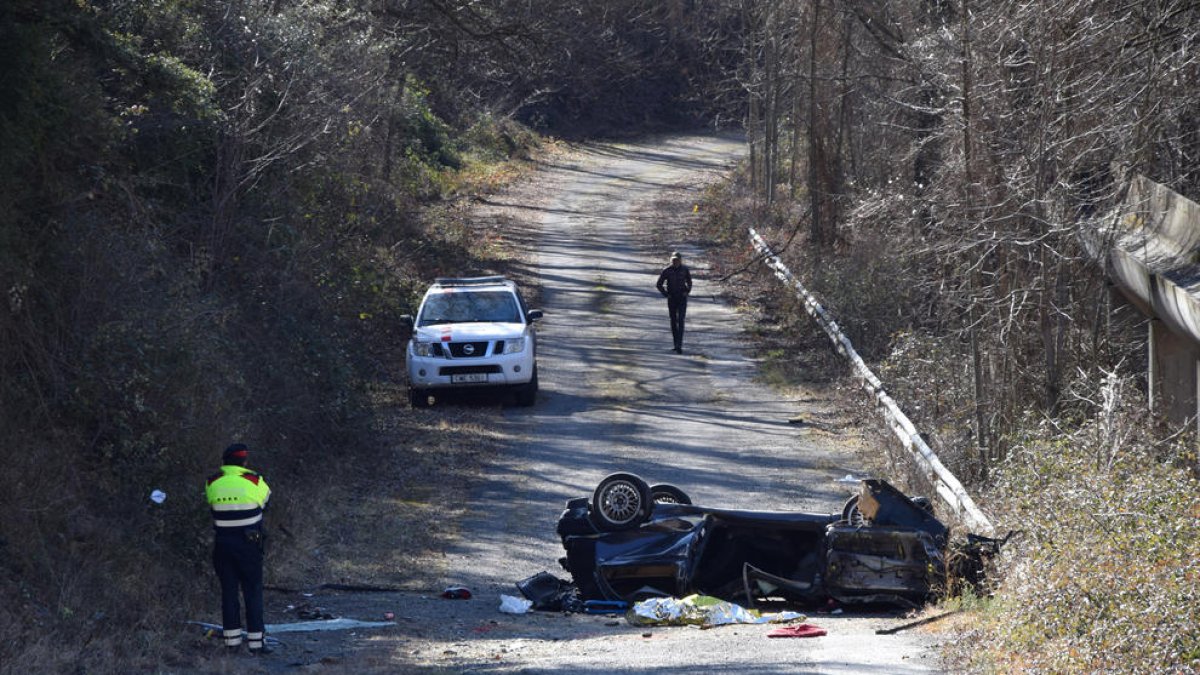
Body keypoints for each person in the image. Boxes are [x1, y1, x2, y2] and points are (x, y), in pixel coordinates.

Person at [206, 443, 273, 655]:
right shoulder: (254, 481)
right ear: (244, 462)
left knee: (229, 592)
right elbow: (265, 503)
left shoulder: (212, 482)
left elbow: (211, 506)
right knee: (252, 591)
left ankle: (232, 642)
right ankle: (257, 644)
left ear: (224, 462)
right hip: (248, 545)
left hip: (223, 545)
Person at [656, 251, 692, 353]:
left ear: (680, 260)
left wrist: (687, 291)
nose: (675, 262)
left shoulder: (685, 270)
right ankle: (675, 344)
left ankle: (679, 345)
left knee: (681, 320)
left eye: (677, 260)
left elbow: (689, 282)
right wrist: (666, 294)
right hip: (672, 299)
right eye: (673, 260)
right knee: (673, 321)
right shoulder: (667, 270)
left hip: (682, 298)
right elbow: (659, 284)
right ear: (671, 260)